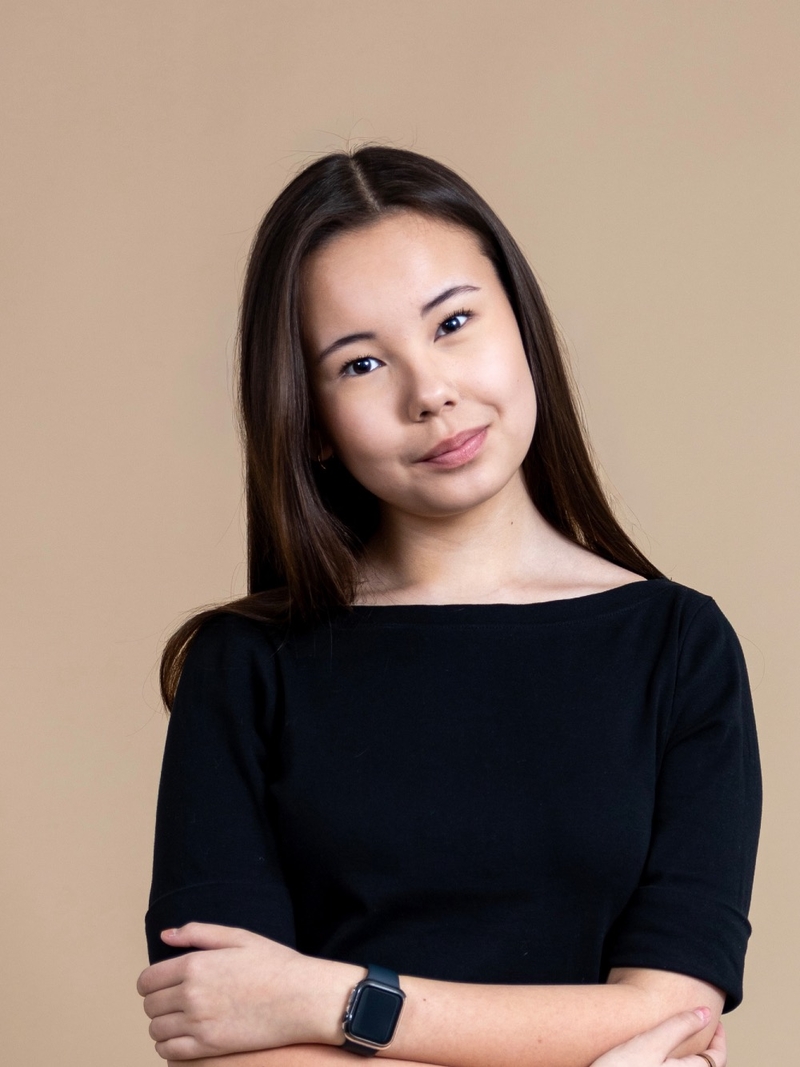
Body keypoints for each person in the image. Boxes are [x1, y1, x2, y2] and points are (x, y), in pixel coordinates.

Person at [136, 146, 760, 1067]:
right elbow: (222, 1035)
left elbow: (675, 1013)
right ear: (310, 421)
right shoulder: (245, 664)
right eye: (360, 364)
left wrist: (333, 998)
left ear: (523, 325)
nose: (430, 392)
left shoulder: (678, 648)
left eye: (454, 322)